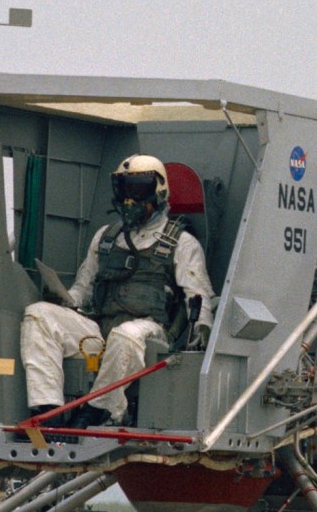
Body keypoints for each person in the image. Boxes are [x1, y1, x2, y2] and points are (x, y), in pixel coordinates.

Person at [18, 154, 213, 427]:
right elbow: (82, 289)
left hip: (151, 333)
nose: (129, 200)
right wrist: (63, 300)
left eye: (138, 190)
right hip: (101, 329)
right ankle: (47, 410)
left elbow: (199, 295)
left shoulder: (182, 243)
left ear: (158, 191)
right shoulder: (107, 237)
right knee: (38, 314)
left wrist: (200, 333)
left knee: (126, 335)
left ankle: (99, 410)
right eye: (123, 190)